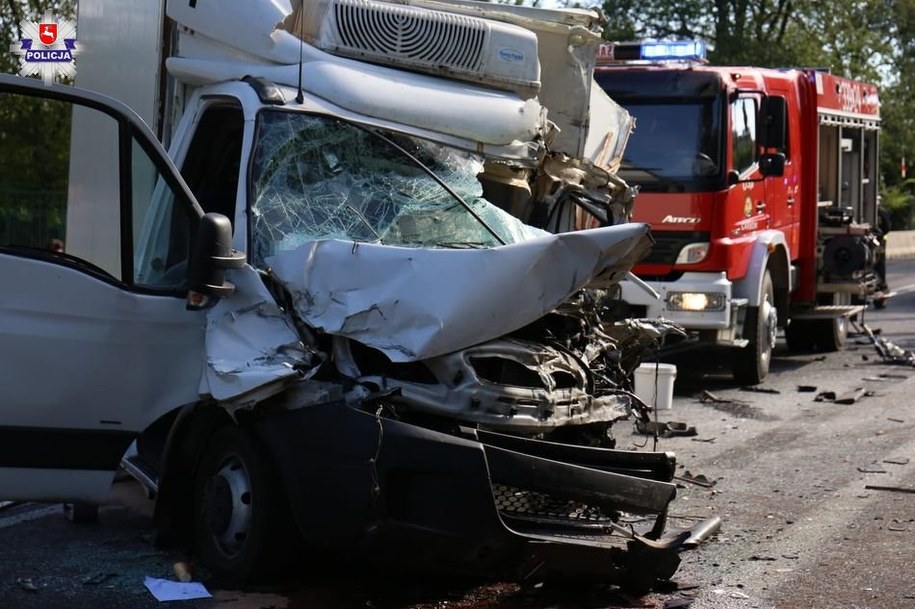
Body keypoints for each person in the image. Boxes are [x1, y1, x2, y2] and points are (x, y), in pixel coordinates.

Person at [874, 203, 891, 293]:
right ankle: (881, 284)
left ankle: (881, 284)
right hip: (880, 242)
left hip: (879, 241)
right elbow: (887, 228)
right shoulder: (882, 212)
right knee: (880, 263)